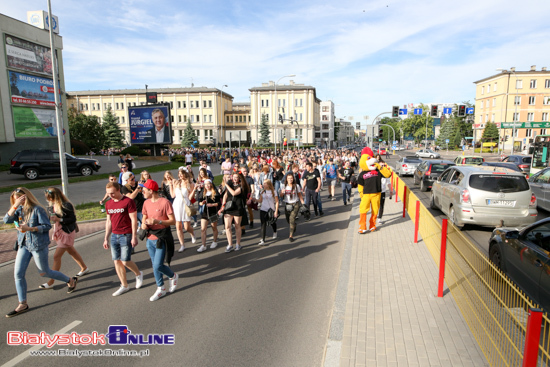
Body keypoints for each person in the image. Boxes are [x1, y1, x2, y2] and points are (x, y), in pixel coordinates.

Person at [4, 188, 78, 317]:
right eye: (15, 201)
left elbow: (47, 226)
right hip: (24, 245)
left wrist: (30, 228)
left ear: (26, 197)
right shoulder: (18, 210)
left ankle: (70, 280)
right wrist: (15, 206)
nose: (17, 203)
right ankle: (23, 303)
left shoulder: (37, 209)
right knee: (18, 274)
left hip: (38, 245)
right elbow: (6, 220)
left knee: (44, 272)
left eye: (19, 200)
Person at [40, 188, 88, 290]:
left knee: (56, 256)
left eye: (50, 198)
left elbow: (72, 219)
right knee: (72, 251)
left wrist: (59, 219)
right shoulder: (51, 206)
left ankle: (51, 281)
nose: (49, 200)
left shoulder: (66, 205)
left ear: (56, 197)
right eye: (48, 198)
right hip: (59, 230)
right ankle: (84, 268)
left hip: (67, 232)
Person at [140, 179, 179, 301]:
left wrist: (157, 221)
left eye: (144, 189)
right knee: (154, 265)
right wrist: (143, 225)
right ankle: (160, 288)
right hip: (149, 238)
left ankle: (173, 276)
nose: (142, 191)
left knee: (157, 265)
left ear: (151, 191)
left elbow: (173, 221)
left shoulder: (165, 202)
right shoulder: (146, 203)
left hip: (161, 237)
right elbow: (143, 219)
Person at [103, 182, 143, 296]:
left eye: (112, 193)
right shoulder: (108, 204)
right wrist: (106, 238)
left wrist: (134, 236)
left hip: (126, 234)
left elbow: (134, 220)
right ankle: (124, 285)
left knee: (125, 260)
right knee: (116, 261)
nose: (110, 195)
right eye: (108, 193)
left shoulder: (128, 202)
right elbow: (108, 221)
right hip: (114, 235)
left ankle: (138, 273)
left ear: (118, 190)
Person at [170, 169, 197, 252]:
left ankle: (192, 234)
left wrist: (194, 189)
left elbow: (190, 197)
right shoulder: (176, 183)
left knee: (186, 227)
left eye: (182, 174)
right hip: (177, 204)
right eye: (179, 174)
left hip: (185, 204)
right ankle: (182, 245)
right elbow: (172, 195)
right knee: (178, 226)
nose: (180, 175)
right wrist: (171, 185)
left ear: (186, 174)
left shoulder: (190, 183)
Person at [218, 172, 246, 252]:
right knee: (227, 226)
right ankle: (230, 244)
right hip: (229, 207)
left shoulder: (241, 186)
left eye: (236, 177)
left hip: (237, 207)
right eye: (233, 177)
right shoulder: (230, 184)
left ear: (239, 178)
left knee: (237, 226)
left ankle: (238, 244)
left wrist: (226, 185)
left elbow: (234, 193)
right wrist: (223, 206)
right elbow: (225, 195)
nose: (234, 178)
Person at [197, 179, 221, 252]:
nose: (207, 186)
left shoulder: (215, 193)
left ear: (211, 184)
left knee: (214, 227)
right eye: (206, 184)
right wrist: (202, 203)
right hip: (205, 212)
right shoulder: (203, 193)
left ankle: (214, 241)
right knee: (203, 229)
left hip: (213, 212)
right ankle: (203, 245)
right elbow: (200, 202)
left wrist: (212, 204)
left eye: (208, 184)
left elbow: (218, 203)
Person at [281, 174, 305, 242]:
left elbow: (300, 195)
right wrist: (282, 193)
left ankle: (291, 235)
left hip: (295, 204)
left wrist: (303, 204)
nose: (290, 180)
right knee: (288, 220)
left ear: (293, 179)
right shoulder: (284, 186)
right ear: (286, 179)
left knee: (292, 219)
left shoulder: (296, 186)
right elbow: (281, 195)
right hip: (287, 205)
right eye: (288, 178)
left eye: (291, 178)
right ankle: (294, 225)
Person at [257, 179, 279, 245]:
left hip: (271, 210)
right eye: (263, 183)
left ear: (269, 184)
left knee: (272, 222)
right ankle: (262, 239)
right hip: (263, 209)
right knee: (263, 224)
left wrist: (276, 211)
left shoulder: (273, 191)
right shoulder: (262, 191)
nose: (263, 185)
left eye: (265, 183)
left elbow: (277, 201)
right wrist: (255, 200)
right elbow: (260, 200)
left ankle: (275, 231)